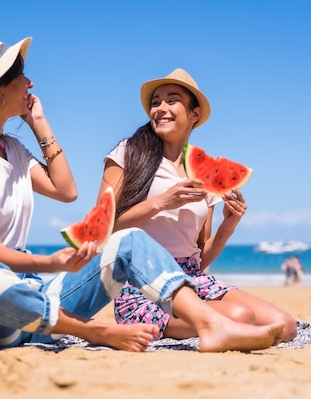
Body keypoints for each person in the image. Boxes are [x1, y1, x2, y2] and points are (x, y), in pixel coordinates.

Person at [0, 33, 284, 353]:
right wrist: (53, 262)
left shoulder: (14, 152)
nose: (30, 81)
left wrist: (40, 124)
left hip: (37, 308)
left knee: (129, 239)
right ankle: (95, 331)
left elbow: (65, 191)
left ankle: (212, 326)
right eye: (20, 74)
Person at [99, 68, 297, 343]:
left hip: (193, 278)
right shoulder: (128, 153)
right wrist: (161, 202)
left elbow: (201, 257)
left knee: (285, 325)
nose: (161, 108)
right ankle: (154, 324)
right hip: (143, 282)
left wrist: (229, 224)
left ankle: (196, 324)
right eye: (156, 102)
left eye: (172, 100)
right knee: (239, 316)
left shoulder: (203, 174)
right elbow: (103, 229)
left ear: (194, 114)